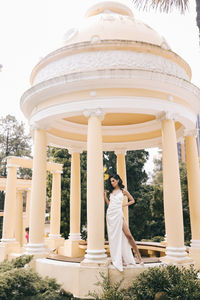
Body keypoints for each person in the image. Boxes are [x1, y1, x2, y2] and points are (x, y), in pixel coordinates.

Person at [104, 174, 144, 272]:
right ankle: (120, 259)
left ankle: (139, 257)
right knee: (116, 237)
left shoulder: (123, 191)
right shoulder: (111, 192)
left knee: (128, 235)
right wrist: (105, 197)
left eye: (113, 181)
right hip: (110, 215)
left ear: (118, 180)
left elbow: (132, 200)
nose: (112, 183)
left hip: (118, 213)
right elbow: (110, 205)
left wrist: (123, 205)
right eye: (111, 181)